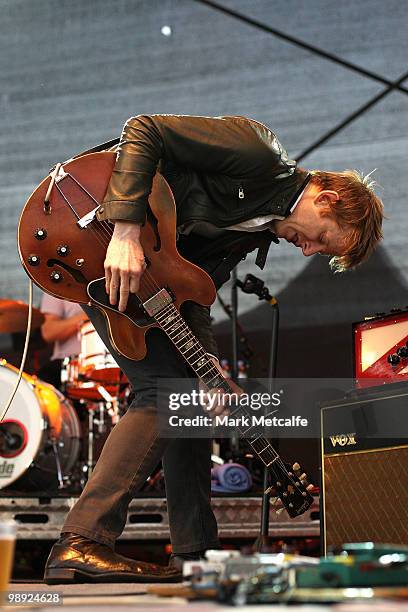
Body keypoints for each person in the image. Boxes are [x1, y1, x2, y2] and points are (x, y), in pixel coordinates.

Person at [44, 114, 384, 584]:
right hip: (89, 224)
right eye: (322, 238)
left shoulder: (258, 231)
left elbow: (195, 293)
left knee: (190, 401)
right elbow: (144, 129)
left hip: (135, 267)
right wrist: (124, 231)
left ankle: (193, 551)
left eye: (319, 252)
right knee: (166, 396)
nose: (309, 251)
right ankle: (82, 540)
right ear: (327, 199)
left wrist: (208, 369)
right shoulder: (258, 151)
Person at [39, 294, 87, 389]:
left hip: (114, 362)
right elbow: (48, 332)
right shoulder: (55, 283)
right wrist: (91, 316)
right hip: (68, 367)